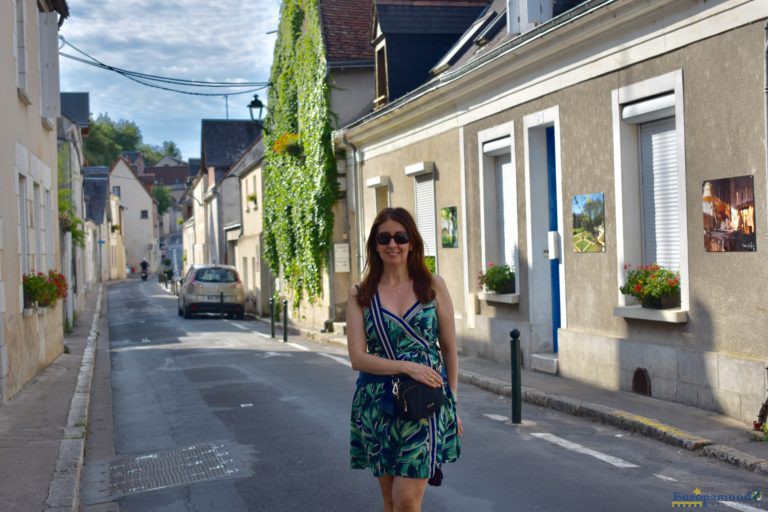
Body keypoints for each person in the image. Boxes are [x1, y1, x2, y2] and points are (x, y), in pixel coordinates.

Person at [347, 207, 462, 512]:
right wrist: (406, 366)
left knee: (406, 500)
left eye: (400, 236)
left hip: (423, 404)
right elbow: (357, 358)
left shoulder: (432, 285)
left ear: (412, 242)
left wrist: (452, 402)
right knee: (389, 501)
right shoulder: (361, 293)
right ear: (375, 244)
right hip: (378, 403)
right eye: (383, 237)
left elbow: (449, 348)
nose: (392, 244)